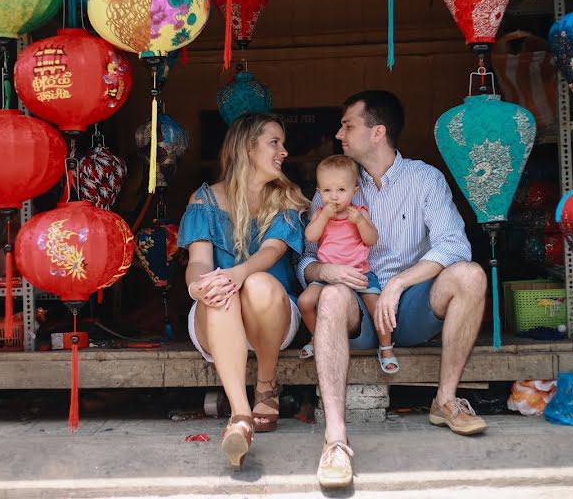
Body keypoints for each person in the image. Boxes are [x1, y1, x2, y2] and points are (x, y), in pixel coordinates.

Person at [297, 91, 488, 488]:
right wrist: (325, 269)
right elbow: (304, 261)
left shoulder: (424, 179)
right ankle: (335, 439)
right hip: (356, 308)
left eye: (348, 125)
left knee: (470, 274)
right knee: (330, 294)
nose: (339, 133)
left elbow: (454, 244)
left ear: (377, 132)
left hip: (412, 304)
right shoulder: (335, 185)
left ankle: (446, 400)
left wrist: (399, 283)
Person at [178, 113, 309, 471]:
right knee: (220, 293)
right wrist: (199, 287)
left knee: (258, 282)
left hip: (273, 315)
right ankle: (240, 414)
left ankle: (266, 384)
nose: (284, 151)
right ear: (248, 148)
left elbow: (272, 252)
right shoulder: (204, 199)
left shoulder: (287, 197)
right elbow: (199, 261)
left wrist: (237, 273)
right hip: (216, 318)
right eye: (274, 142)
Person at [297, 155, 399, 375]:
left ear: (354, 190)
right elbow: (310, 236)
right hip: (327, 275)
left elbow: (371, 239)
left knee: (378, 308)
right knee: (305, 302)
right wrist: (323, 217)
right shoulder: (319, 214)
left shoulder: (359, 212)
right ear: (318, 191)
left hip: (360, 272)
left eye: (341, 190)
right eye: (326, 191)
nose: (334, 197)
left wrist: (361, 222)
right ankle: (317, 338)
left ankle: (386, 347)